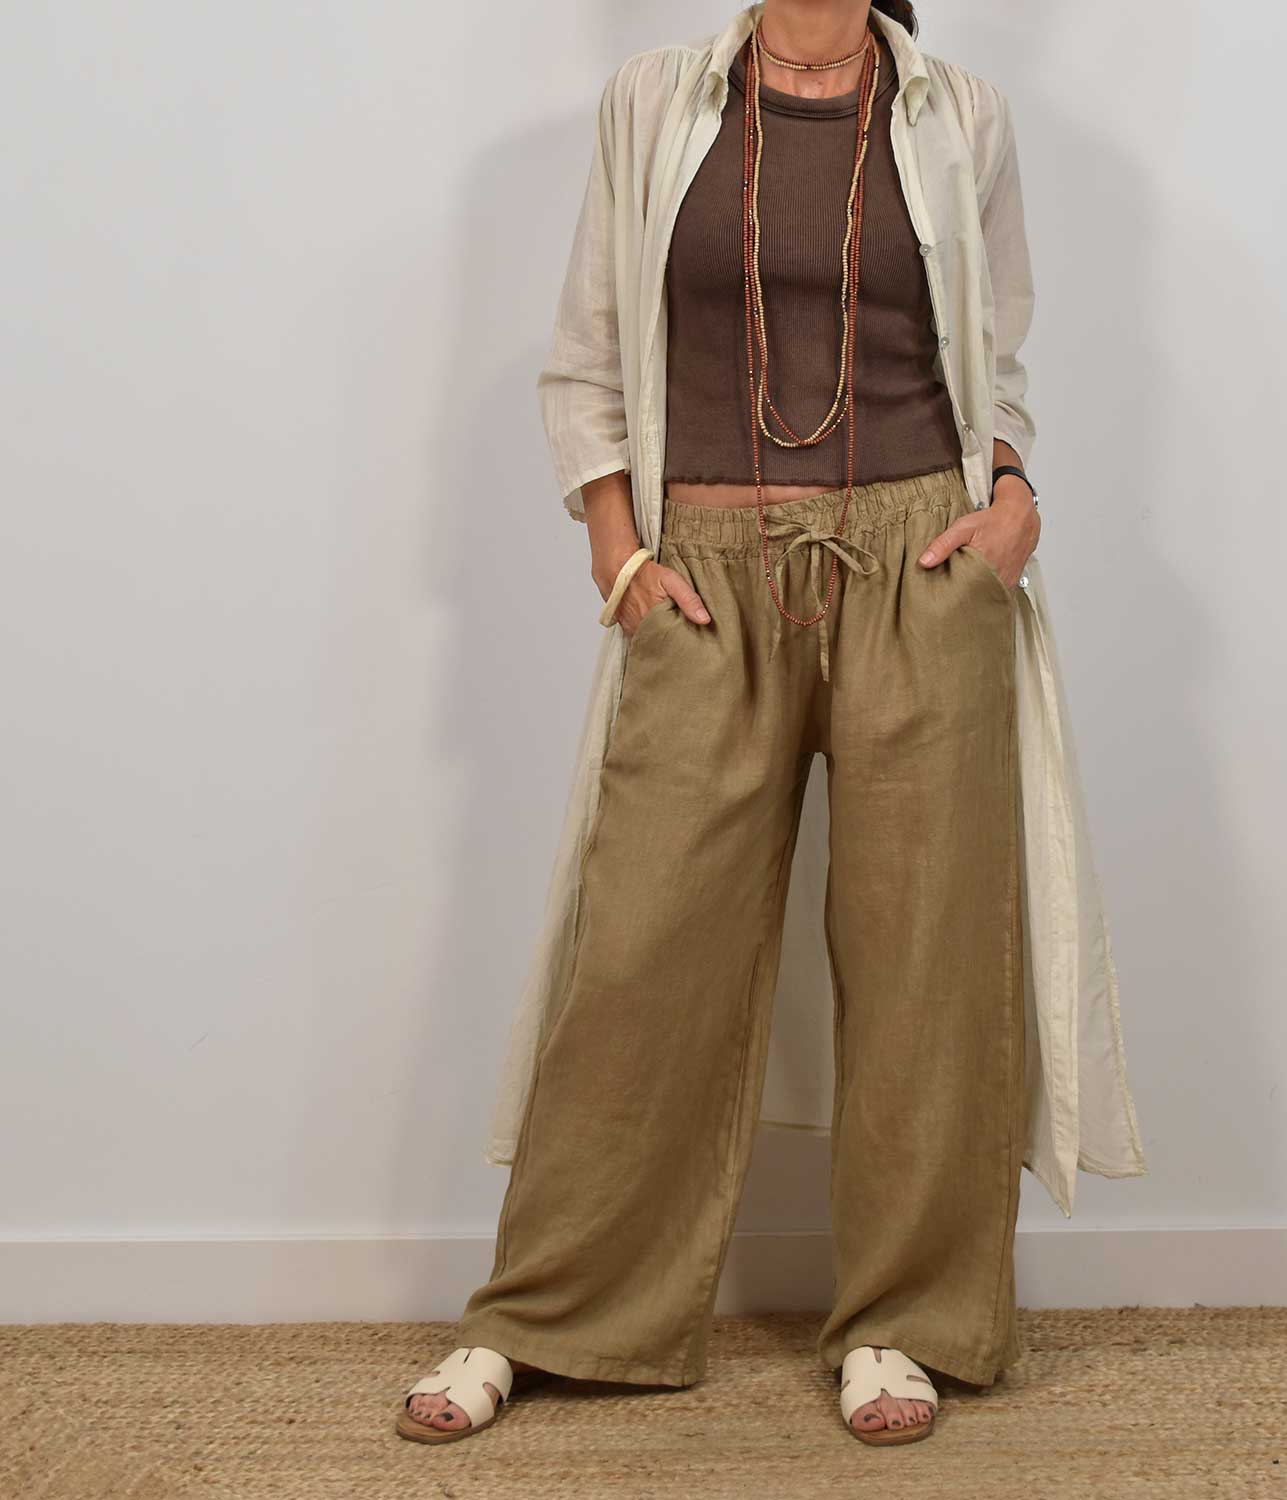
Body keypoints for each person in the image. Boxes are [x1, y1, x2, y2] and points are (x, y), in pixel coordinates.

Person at [397, 0, 1146, 1450]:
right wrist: (620, 560)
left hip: (923, 566)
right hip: (705, 578)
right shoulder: (656, 101)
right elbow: (587, 353)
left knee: (928, 958)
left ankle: (905, 1319)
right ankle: (549, 1311)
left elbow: (997, 356)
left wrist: (1014, 502)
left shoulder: (959, 113)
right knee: (641, 950)